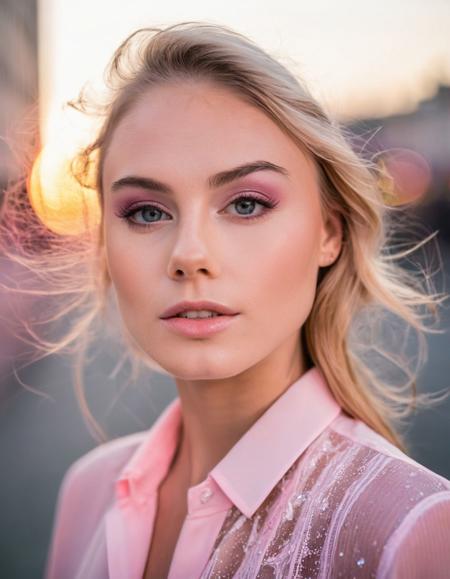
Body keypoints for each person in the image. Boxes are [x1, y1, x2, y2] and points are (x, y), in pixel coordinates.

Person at [2, 20, 450, 579]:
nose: (189, 254)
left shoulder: (411, 528)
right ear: (105, 248)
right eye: (147, 212)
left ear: (328, 233)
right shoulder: (88, 491)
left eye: (245, 204)